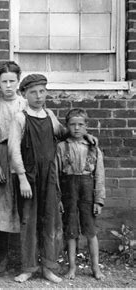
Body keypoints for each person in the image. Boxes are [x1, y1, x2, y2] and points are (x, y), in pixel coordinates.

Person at [8, 73, 65, 284]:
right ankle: (28, 267)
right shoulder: (20, 118)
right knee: (29, 222)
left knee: (50, 220)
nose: (38, 96)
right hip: (29, 177)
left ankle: (49, 267)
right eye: (33, 92)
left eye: (42, 91)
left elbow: (62, 133)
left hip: (49, 176)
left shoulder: (50, 115)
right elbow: (13, 151)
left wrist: (84, 135)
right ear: (24, 94)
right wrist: (22, 178)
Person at [56, 109, 105, 280]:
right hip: (68, 191)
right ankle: (72, 268)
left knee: (90, 231)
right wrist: (58, 199)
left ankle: (95, 268)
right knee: (71, 231)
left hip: (87, 191)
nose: (76, 128)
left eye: (80, 124)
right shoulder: (61, 147)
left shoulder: (94, 148)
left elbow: (99, 176)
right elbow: (55, 175)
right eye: (72, 124)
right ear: (67, 126)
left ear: (86, 126)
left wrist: (98, 201)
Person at [0, 61, 26, 273]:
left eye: (12, 81)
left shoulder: (25, 104)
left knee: (24, 208)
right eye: (4, 82)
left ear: (18, 82)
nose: (8, 86)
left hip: (22, 155)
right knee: (3, 209)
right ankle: (1, 257)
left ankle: (24, 258)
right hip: (2, 154)